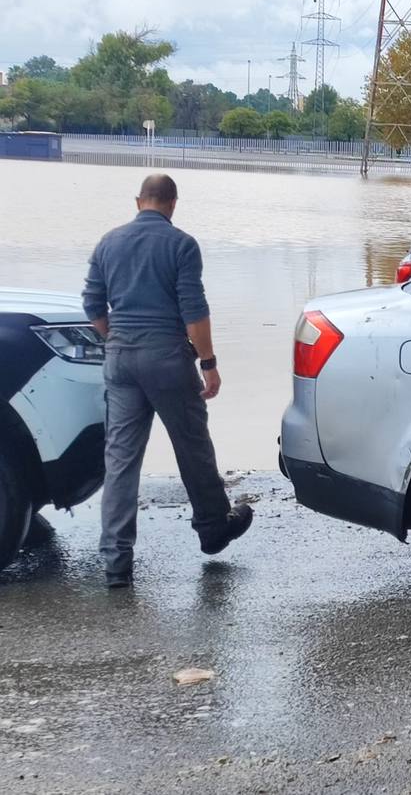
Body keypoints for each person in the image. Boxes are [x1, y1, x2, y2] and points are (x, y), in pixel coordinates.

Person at [83, 174, 253, 588]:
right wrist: (208, 362)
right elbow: (194, 310)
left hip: (120, 360)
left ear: (138, 201)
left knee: (121, 460)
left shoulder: (108, 242)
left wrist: (119, 339)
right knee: (192, 446)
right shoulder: (181, 244)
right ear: (173, 204)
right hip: (168, 360)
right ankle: (213, 529)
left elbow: (92, 305)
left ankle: (115, 561)